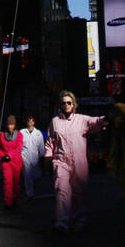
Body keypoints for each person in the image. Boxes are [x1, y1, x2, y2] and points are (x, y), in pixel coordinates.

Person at [44, 90, 108, 234]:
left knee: (79, 193)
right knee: (62, 190)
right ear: (59, 105)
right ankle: (61, 223)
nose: (66, 105)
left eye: (69, 103)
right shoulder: (55, 122)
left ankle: (79, 220)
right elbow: (50, 141)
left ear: (74, 105)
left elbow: (96, 122)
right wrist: (48, 157)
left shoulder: (82, 120)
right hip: (61, 161)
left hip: (79, 162)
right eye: (63, 103)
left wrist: (107, 117)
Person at [0, 115, 26, 209]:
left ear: (15, 125)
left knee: (16, 182)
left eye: (12, 124)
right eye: (8, 124)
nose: (10, 126)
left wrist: (10, 155)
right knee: (7, 181)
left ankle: (15, 199)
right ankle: (8, 202)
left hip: (16, 161)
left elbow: (19, 147)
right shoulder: (1, 135)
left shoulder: (19, 135)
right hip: (6, 161)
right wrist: (2, 156)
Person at [20, 115, 46, 199]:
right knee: (27, 174)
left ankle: (32, 188)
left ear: (34, 122)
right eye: (28, 121)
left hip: (35, 156)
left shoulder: (38, 133)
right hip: (25, 156)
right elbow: (19, 145)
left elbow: (41, 145)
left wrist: (42, 155)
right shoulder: (22, 132)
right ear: (27, 122)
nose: (30, 122)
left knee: (36, 174)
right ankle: (29, 192)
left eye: (31, 121)